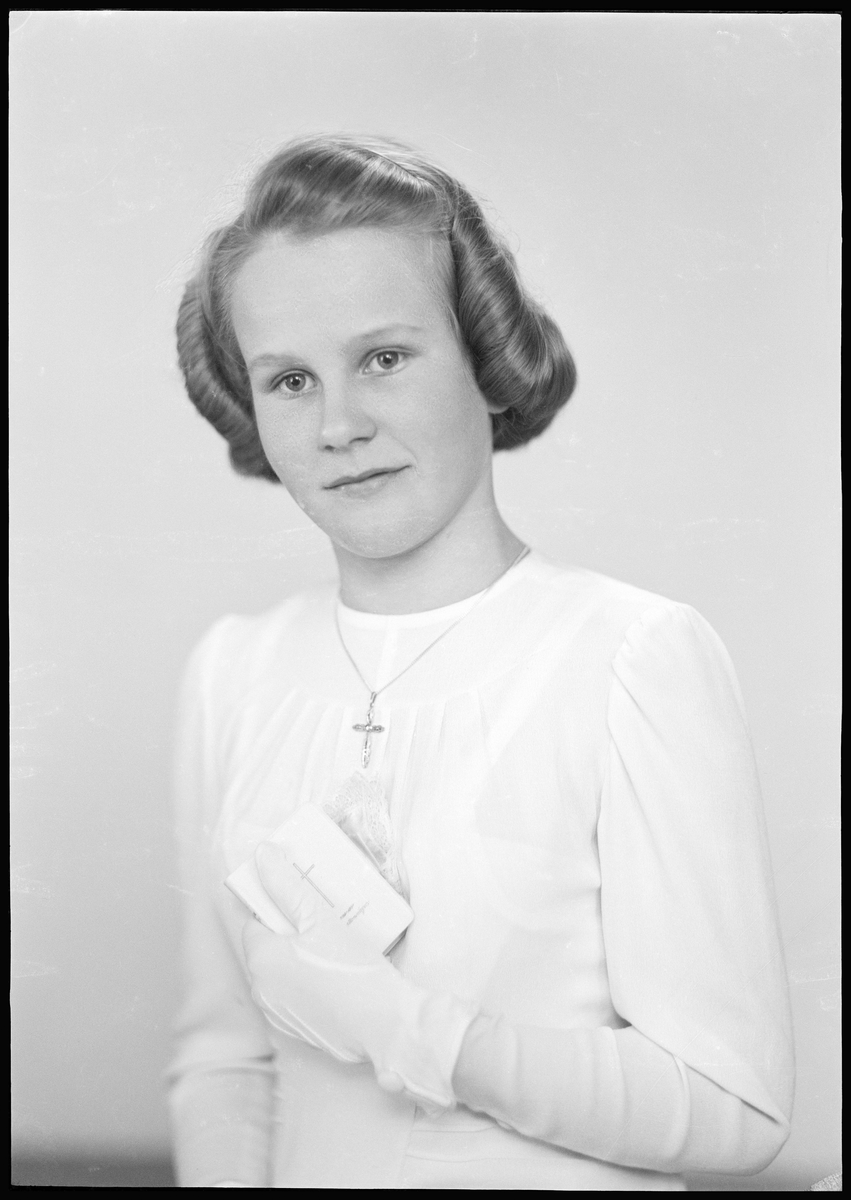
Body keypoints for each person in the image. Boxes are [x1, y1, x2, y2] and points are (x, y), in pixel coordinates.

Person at [167, 134, 794, 1189]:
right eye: (289, 380)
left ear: (486, 365)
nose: (338, 425)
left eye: (384, 357)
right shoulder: (232, 672)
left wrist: (408, 1028)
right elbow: (223, 1061)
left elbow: (734, 1108)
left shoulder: (630, 657)